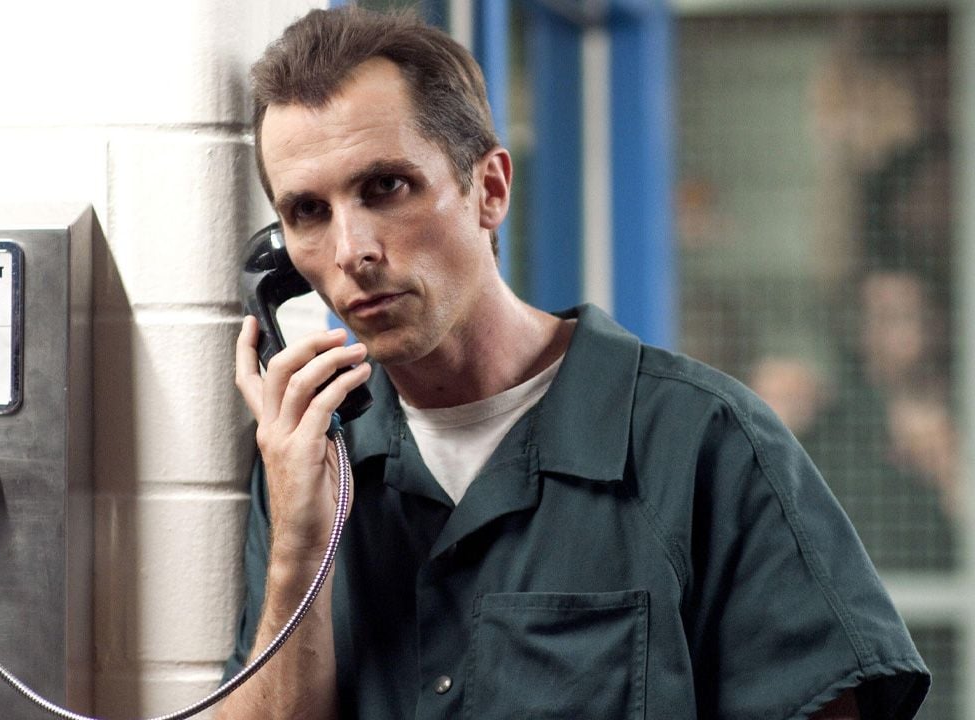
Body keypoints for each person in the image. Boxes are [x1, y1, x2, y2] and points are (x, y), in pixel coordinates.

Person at [218, 7, 929, 719]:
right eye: (308, 212)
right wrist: (299, 550)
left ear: (489, 190)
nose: (351, 250)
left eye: (385, 188)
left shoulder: (700, 442)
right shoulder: (315, 459)